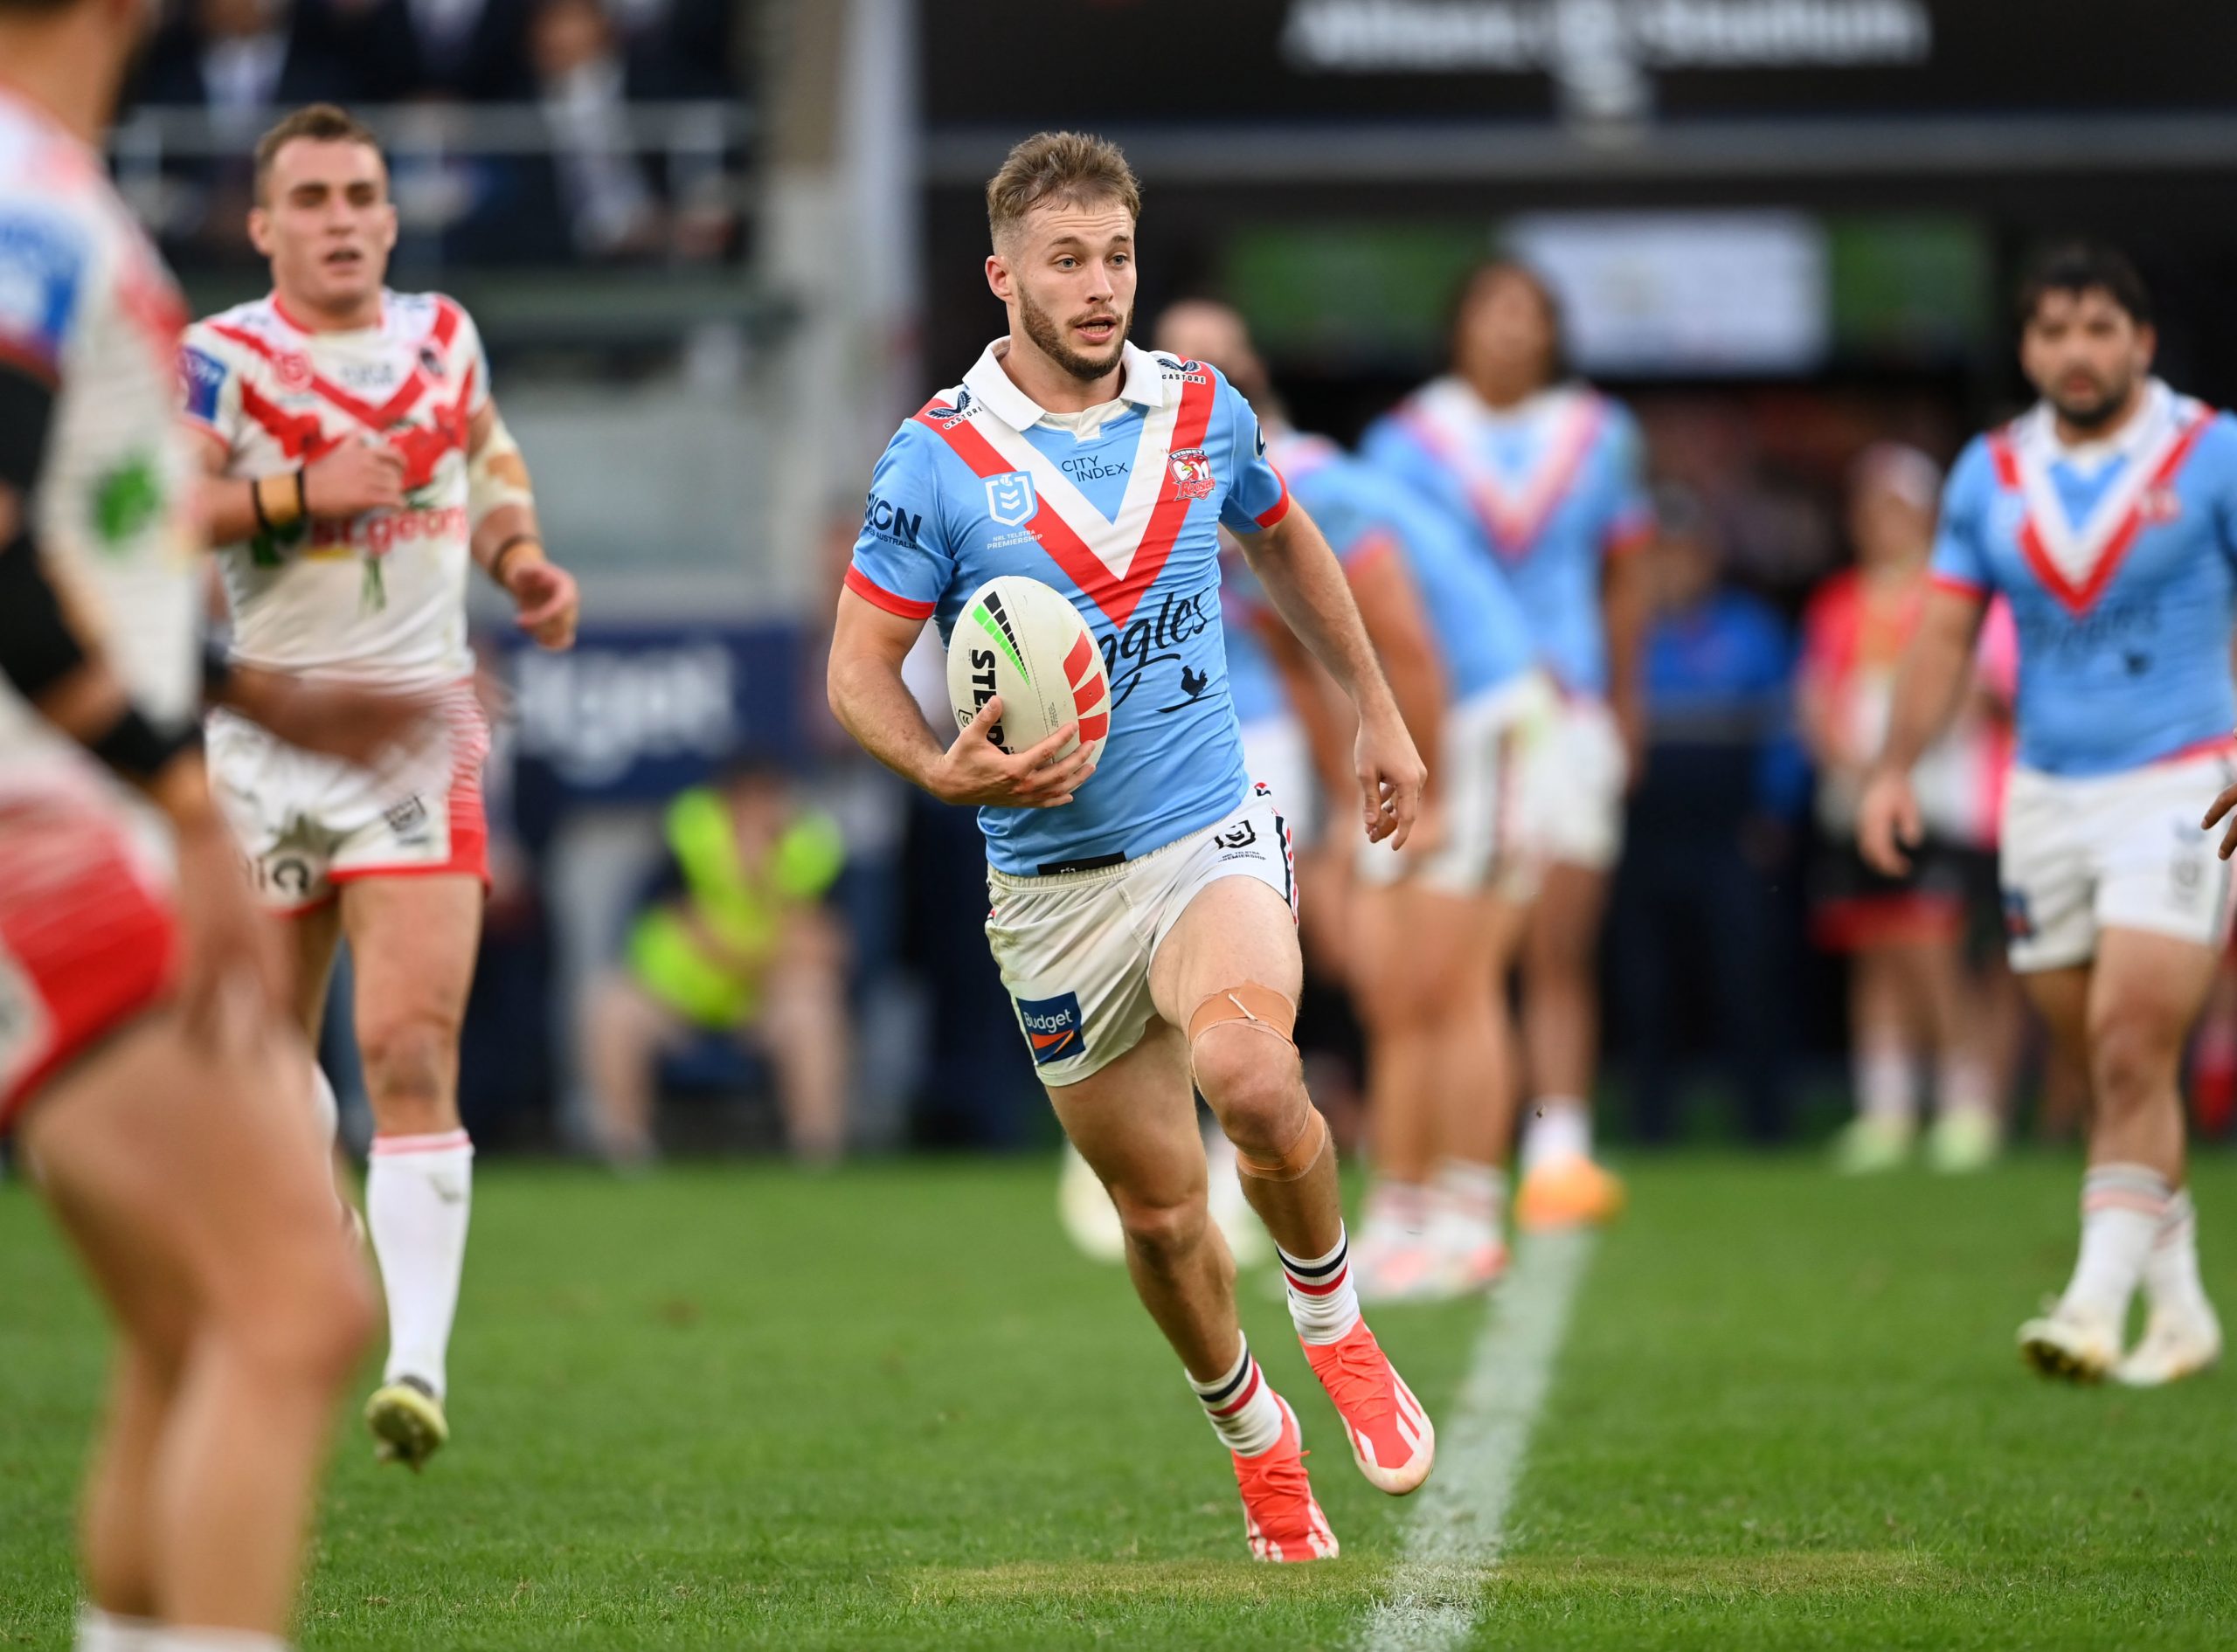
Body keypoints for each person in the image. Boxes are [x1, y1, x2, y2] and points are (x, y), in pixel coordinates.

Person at [828, 132, 1434, 1562]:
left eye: (1117, 257)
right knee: (1162, 1221)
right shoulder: (940, 460)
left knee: (1251, 1068)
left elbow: (1287, 545)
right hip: (1047, 892)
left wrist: (1378, 717)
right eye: (1067, 261)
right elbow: (856, 669)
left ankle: (1338, 1328)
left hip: (1206, 832)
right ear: (1003, 279)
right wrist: (938, 762)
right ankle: (1254, 1436)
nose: (1101, 288)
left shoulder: (1202, 410)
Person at [0, 1, 383, 1643]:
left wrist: (250, 704)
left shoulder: (54, 184)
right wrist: (182, 799)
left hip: (61, 813)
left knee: (191, 1324)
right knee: (295, 1301)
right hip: (50, 833)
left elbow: (87, 548)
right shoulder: (22, 190)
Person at [178, 101, 582, 1468]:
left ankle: (413, 1363)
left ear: (393, 218)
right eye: (312, 198)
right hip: (266, 741)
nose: (341, 218)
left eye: (361, 194)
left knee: (408, 1045)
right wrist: (302, 492)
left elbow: (490, 458)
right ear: (264, 224)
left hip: (419, 727)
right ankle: (321, 1242)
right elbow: (166, 510)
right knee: (258, 1071)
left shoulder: (442, 334)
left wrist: (521, 558)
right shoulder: (221, 358)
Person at [1861, 244, 2230, 1386]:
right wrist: (1893, 766)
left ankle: (2087, 1305)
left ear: (2143, 341)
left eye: (2100, 328)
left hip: (2181, 778)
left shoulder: (2211, 452)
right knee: (2099, 1065)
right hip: (2042, 793)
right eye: (2056, 330)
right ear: (2027, 347)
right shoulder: (1987, 473)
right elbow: (1944, 630)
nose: (2078, 351)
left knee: (2130, 1041)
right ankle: (2181, 1306)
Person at [1158, 298, 1548, 1302]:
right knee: (1391, 985)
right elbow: (1300, 666)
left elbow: (1404, 647)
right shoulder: (1211, 501)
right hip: (1414, 730)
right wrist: (1339, 821)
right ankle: (1405, 1209)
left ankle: (1465, 1212)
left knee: (1448, 978)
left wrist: (1436, 797)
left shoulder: (1306, 484)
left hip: (1472, 717)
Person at [1363, 258, 1652, 1231]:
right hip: (1465, 708)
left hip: (1564, 704)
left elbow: (1625, 576)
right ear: (1457, 325)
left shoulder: (1601, 434)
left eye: (1528, 313)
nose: (1509, 330)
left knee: (1560, 937)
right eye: (1491, 310)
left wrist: (1625, 703)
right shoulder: (1406, 442)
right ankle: (1451, 1156)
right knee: (1465, 951)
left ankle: (1558, 1143)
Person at [1800, 445, 2013, 1173]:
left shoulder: (1951, 592)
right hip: (1855, 798)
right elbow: (1817, 693)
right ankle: (1887, 1110)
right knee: (1876, 950)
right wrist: (1854, 763)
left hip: (1939, 796)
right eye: (1871, 508)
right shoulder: (1837, 600)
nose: (1882, 522)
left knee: (1935, 949)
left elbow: (1971, 690)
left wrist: (1904, 757)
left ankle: (1965, 1105)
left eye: (1898, 507)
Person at [582, 762, 849, 1165]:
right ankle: (624, 1152)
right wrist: (764, 949)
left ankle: (817, 1152)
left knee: (813, 1007)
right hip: (683, 1003)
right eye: (745, 804)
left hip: (763, 1007)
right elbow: (665, 932)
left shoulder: (812, 854)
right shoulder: (684, 845)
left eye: (768, 803)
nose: (758, 816)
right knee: (610, 1005)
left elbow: (829, 948)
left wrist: (762, 899)